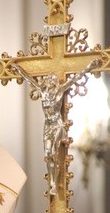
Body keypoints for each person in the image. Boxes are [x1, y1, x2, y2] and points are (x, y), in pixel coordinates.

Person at [13, 60, 100, 194]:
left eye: (50, 81)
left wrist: (89, 66)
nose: (48, 83)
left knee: (53, 153)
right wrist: (18, 69)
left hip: (57, 125)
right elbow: (29, 79)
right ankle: (52, 181)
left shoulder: (59, 91)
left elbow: (76, 77)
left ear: (54, 83)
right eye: (47, 82)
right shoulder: (43, 92)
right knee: (48, 155)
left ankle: (55, 183)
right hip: (47, 125)